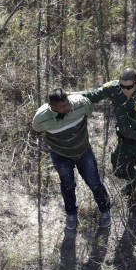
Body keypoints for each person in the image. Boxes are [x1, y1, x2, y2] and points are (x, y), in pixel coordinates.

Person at [77, 68, 136, 226]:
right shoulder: (113, 88)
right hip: (125, 140)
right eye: (122, 86)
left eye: (128, 87)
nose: (125, 90)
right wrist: (69, 95)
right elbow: (92, 95)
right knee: (118, 167)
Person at [32, 88, 111, 230]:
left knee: (94, 182)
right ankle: (71, 214)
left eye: (67, 103)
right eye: (62, 106)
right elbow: (37, 128)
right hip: (60, 155)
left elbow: (89, 109)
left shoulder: (81, 104)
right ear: (53, 107)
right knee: (68, 185)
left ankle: (105, 210)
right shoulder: (41, 118)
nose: (67, 107)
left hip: (84, 151)